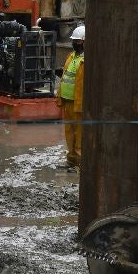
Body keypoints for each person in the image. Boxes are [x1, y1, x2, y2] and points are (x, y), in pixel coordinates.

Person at [58, 24, 85, 168]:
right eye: (74, 41)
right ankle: (71, 160)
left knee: (80, 134)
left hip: (79, 103)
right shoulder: (71, 56)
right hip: (67, 101)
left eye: (78, 41)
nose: (75, 43)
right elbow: (65, 76)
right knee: (69, 131)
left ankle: (80, 164)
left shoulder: (86, 60)